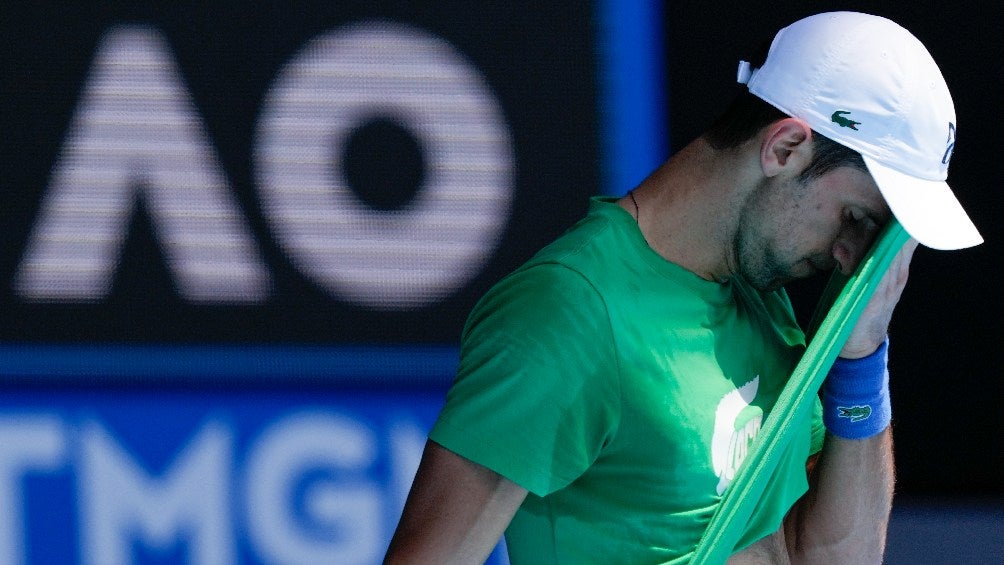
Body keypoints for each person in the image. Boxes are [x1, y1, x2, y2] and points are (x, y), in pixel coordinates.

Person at [385, 11, 982, 564]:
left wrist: (861, 359)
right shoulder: (568, 314)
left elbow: (824, 558)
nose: (850, 256)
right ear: (786, 148)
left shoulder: (760, 298)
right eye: (855, 219)